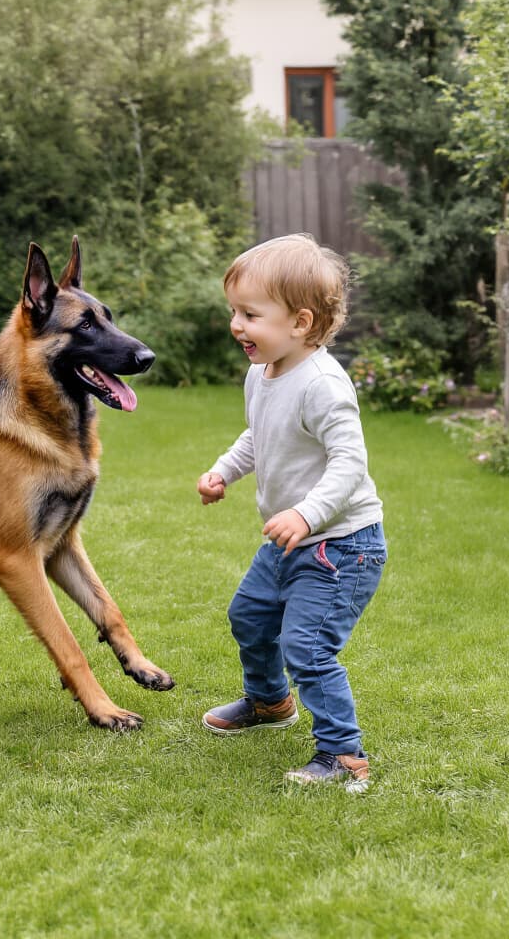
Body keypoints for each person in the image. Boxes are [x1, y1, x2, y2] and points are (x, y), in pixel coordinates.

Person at [196, 234, 386, 792]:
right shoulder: (263, 372)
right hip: (293, 540)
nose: (236, 325)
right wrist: (224, 471)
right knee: (249, 617)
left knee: (307, 645)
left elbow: (350, 462)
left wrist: (305, 514)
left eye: (250, 314)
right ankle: (269, 701)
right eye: (235, 311)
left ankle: (342, 755)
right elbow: (260, 435)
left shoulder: (324, 385)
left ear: (300, 322)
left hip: (342, 545)